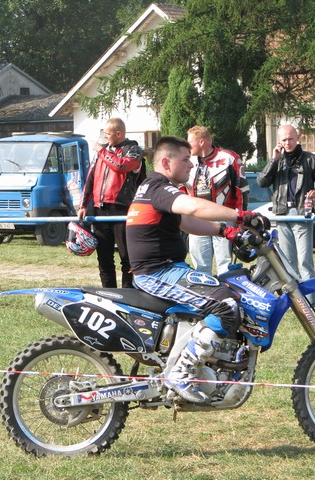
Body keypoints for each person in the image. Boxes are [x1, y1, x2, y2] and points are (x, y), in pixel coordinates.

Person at [126, 136, 264, 404]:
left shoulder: (155, 188)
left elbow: (186, 221)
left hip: (165, 269)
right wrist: (240, 216)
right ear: (166, 162)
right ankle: (181, 373)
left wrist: (226, 231)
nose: (191, 165)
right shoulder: (158, 187)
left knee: (224, 290)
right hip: (157, 273)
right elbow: (195, 207)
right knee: (226, 306)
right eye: (185, 160)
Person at [257, 124, 315, 309]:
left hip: (301, 213)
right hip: (282, 214)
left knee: (305, 261)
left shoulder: (310, 159)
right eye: (283, 140)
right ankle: (296, 303)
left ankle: (313, 303)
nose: (287, 143)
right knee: (288, 263)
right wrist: (273, 160)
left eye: (290, 139)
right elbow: (262, 182)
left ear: (298, 138)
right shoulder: (277, 160)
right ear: (279, 141)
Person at [78, 117, 144, 288]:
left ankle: (128, 294)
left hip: (123, 209)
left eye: (108, 134)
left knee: (127, 257)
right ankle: (109, 293)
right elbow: (90, 178)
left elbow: (121, 166)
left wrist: (102, 151)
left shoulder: (133, 149)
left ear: (119, 133)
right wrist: (83, 205)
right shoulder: (103, 152)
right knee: (104, 258)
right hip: (100, 209)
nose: (105, 137)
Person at [183, 125, 250, 275]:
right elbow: (180, 187)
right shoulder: (187, 160)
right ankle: (204, 290)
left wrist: (241, 220)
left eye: (189, 142)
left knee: (224, 265)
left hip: (223, 217)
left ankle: (226, 290)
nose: (187, 146)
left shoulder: (229, 158)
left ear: (201, 142)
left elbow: (241, 190)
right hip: (197, 219)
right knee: (200, 267)